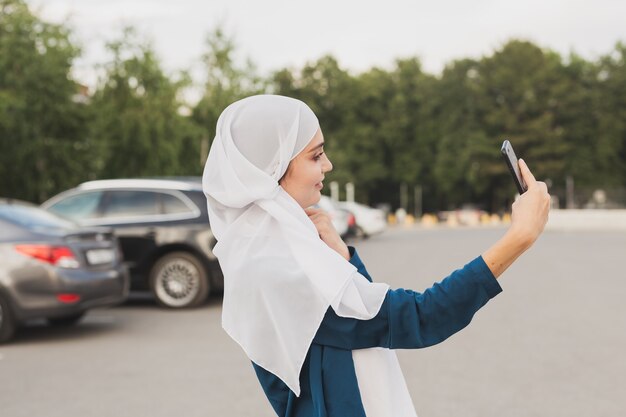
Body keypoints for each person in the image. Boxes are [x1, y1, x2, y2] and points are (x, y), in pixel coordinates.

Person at [202, 94, 550, 417]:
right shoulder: (281, 265)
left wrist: (342, 257)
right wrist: (518, 238)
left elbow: (361, 315)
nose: (329, 165)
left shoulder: (267, 246)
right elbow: (419, 317)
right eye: (315, 155)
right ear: (274, 168)